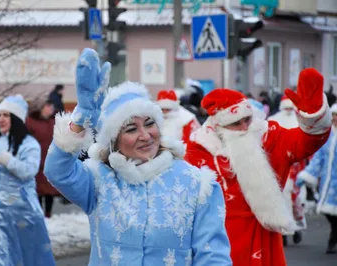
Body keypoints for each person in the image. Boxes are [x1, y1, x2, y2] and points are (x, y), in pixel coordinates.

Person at [44, 48, 232, 265]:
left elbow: (213, 258)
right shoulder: (98, 181)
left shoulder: (198, 185)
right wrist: (82, 117)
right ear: (115, 141)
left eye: (150, 124)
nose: (145, 136)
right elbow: (57, 171)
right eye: (131, 129)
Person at [185, 68, 331, 266]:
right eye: (236, 123)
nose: (245, 127)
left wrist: (313, 115)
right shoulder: (197, 152)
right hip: (219, 244)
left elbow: (307, 142)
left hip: (265, 237)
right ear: (219, 126)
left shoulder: (268, 137)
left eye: (248, 120)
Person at [0, 95, 55, 266]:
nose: (1, 119)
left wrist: (1, 155)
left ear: (16, 118)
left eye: (6, 115)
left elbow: (28, 171)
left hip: (21, 216)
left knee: (21, 260)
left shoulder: (29, 144)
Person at [296, 103, 337, 254]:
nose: (334, 119)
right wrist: (307, 175)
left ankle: (333, 238)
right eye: (333, 116)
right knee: (328, 211)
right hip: (328, 182)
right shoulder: (329, 136)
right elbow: (318, 158)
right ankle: (334, 233)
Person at [268, 95, 307, 245]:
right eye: (287, 108)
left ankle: (297, 229)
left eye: (291, 108)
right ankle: (283, 232)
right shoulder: (274, 120)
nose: (289, 111)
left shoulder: (300, 120)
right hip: (279, 168)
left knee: (298, 200)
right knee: (281, 200)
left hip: (298, 169)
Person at [26, 99, 59, 218]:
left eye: (51, 107)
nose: (50, 109)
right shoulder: (30, 122)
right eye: (47, 106)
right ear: (41, 108)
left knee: (50, 188)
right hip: (37, 159)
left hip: (51, 159)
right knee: (38, 188)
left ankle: (48, 213)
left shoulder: (54, 121)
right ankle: (39, 213)